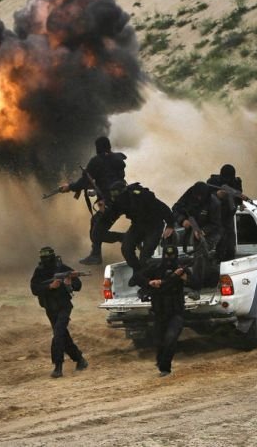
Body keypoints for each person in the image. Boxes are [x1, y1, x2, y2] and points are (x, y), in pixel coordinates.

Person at [58, 136, 127, 265]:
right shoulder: (117, 159)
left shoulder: (97, 161)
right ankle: (96, 254)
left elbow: (83, 182)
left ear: (97, 148)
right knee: (95, 222)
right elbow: (110, 179)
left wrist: (69, 187)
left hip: (109, 203)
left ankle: (125, 237)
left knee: (97, 234)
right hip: (122, 199)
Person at [30, 246, 89, 378]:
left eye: (47, 257)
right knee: (62, 335)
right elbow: (34, 288)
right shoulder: (39, 271)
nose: (45, 260)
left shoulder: (62, 268)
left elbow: (78, 286)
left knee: (58, 333)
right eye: (43, 257)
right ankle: (80, 360)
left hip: (64, 306)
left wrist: (69, 283)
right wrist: (50, 286)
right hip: (50, 307)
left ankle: (58, 366)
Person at [133, 243, 190, 377]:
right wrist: (149, 282)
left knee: (171, 338)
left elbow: (197, 283)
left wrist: (186, 279)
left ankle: (165, 368)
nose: (169, 258)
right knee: (159, 341)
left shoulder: (181, 270)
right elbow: (135, 278)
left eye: (172, 255)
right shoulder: (156, 268)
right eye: (166, 255)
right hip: (159, 312)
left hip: (176, 312)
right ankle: (160, 362)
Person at [103, 180, 175, 282]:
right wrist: (103, 210)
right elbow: (110, 215)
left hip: (154, 225)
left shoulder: (141, 196)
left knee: (145, 255)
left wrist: (170, 224)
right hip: (137, 225)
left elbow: (162, 207)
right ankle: (137, 271)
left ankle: (145, 278)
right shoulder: (118, 202)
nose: (115, 197)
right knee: (126, 248)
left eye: (116, 194)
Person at [172, 181, 222, 291]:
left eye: (200, 196)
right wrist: (182, 220)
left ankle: (197, 286)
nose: (198, 198)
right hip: (194, 228)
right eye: (197, 196)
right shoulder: (190, 194)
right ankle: (197, 281)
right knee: (197, 256)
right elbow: (175, 208)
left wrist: (203, 231)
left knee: (201, 255)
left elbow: (216, 224)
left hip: (211, 233)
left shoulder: (214, 203)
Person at [206, 164, 244, 262]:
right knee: (220, 242)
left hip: (229, 216)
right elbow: (206, 198)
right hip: (217, 216)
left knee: (230, 245)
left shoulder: (236, 182)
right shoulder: (213, 182)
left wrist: (241, 203)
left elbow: (239, 194)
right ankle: (219, 259)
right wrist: (217, 194)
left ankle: (229, 260)